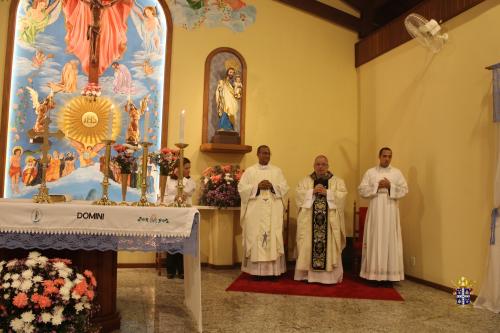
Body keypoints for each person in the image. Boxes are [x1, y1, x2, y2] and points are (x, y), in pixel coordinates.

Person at [358, 147, 408, 283]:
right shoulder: (370, 172)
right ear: (379, 157)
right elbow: (361, 190)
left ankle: (389, 277)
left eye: (389, 156)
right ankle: (372, 275)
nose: (387, 158)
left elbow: (404, 190)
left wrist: (390, 186)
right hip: (375, 208)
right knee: (375, 237)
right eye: (384, 156)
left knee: (389, 238)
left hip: (390, 209)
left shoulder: (397, 173)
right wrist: (377, 186)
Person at [294, 155, 347, 284]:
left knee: (329, 247)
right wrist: (311, 192)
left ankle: (329, 277)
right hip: (309, 223)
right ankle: (308, 276)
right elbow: (298, 194)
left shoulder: (337, 181)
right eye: (318, 164)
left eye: (323, 164)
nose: (321, 167)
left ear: (328, 166)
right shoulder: (306, 181)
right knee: (308, 245)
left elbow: (342, 196)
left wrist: (327, 193)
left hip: (329, 223)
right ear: (314, 165)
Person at [238, 145, 289, 277]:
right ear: (258, 154)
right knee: (255, 237)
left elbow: (284, 188)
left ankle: (273, 272)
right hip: (255, 212)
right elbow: (242, 189)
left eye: (268, 153)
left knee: (272, 237)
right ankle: (255, 272)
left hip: (273, 212)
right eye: (264, 153)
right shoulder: (250, 171)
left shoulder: (277, 171)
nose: (266, 156)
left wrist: (272, 187)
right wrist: (257, 187)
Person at [163, 158, 196, 279]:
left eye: (189, 168)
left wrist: (181, 194)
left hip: (184, 214)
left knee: (182, 242)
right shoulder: (167, 179)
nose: (188, 170)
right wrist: (174, 199)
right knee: (171, 242)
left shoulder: (190, 181)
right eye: (186, 168)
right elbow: (164, 196)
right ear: (179, 168)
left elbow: (189, 191)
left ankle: (182, 270)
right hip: (171, 214)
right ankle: (170, 269)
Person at [215, 67, 241, 131]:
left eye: (233, 73)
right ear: (227, 73)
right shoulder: (222, 81)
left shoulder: (234, 84)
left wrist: (238, 93)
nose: (231, 74)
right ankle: (223, 127)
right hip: (225, 100)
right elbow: (219, 90)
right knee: (225, 111)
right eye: (230, 72)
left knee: (232, 113)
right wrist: (220, 91)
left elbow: (236, 93)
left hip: (232, 101)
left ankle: (230, 128)